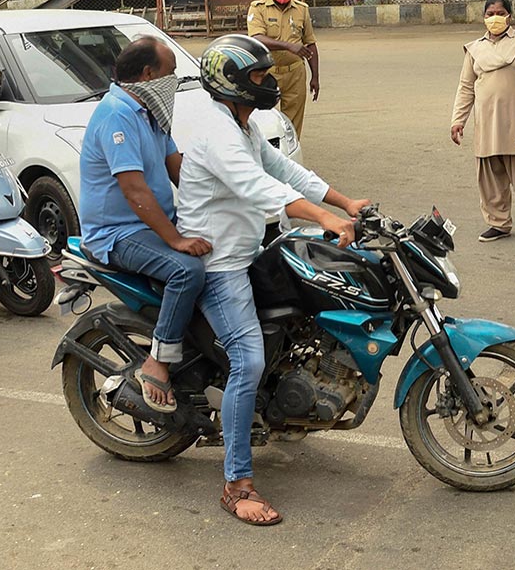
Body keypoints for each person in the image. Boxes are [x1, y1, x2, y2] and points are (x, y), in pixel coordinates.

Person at [177, 34, 365, 525]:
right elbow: (260, 188)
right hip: (220, 265)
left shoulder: (242, 126)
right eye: (259, 76)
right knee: (248, 359)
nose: (269, 82)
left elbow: (286, 171)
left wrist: (345, 202)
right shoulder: (217, 133)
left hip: (249, 250)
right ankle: (236, 484)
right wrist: (323, 218)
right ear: (231, 83)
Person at [78, 36, 210, 414]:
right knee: (186, 270)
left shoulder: (151, 113)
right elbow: (134, 190)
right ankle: (158, 361)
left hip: (153, 223)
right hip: (118, 232)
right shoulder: (117, 115)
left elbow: (178, 169)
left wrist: (224, 201)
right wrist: (177, 240)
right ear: (149, 75)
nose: (174, 81)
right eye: (171, 73)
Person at [451, 0, 515, 243]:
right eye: (490, 14)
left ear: (509, 16)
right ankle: (498, 223)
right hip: (487, 122)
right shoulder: (475, 49)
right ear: (484, 17)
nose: (495, 18)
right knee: (490, 175)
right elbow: (466, 87)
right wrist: (458, 120)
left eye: (500, 13)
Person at [247, 0, 318, 136]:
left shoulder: (301, 9)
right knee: (263, 118)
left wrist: (315, 76)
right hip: (266, 73)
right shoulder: (258, 8)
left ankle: (291, 150)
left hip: (295, 73)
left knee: (293, 122)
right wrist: (288, 46)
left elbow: (310, 44)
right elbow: (257, 38)